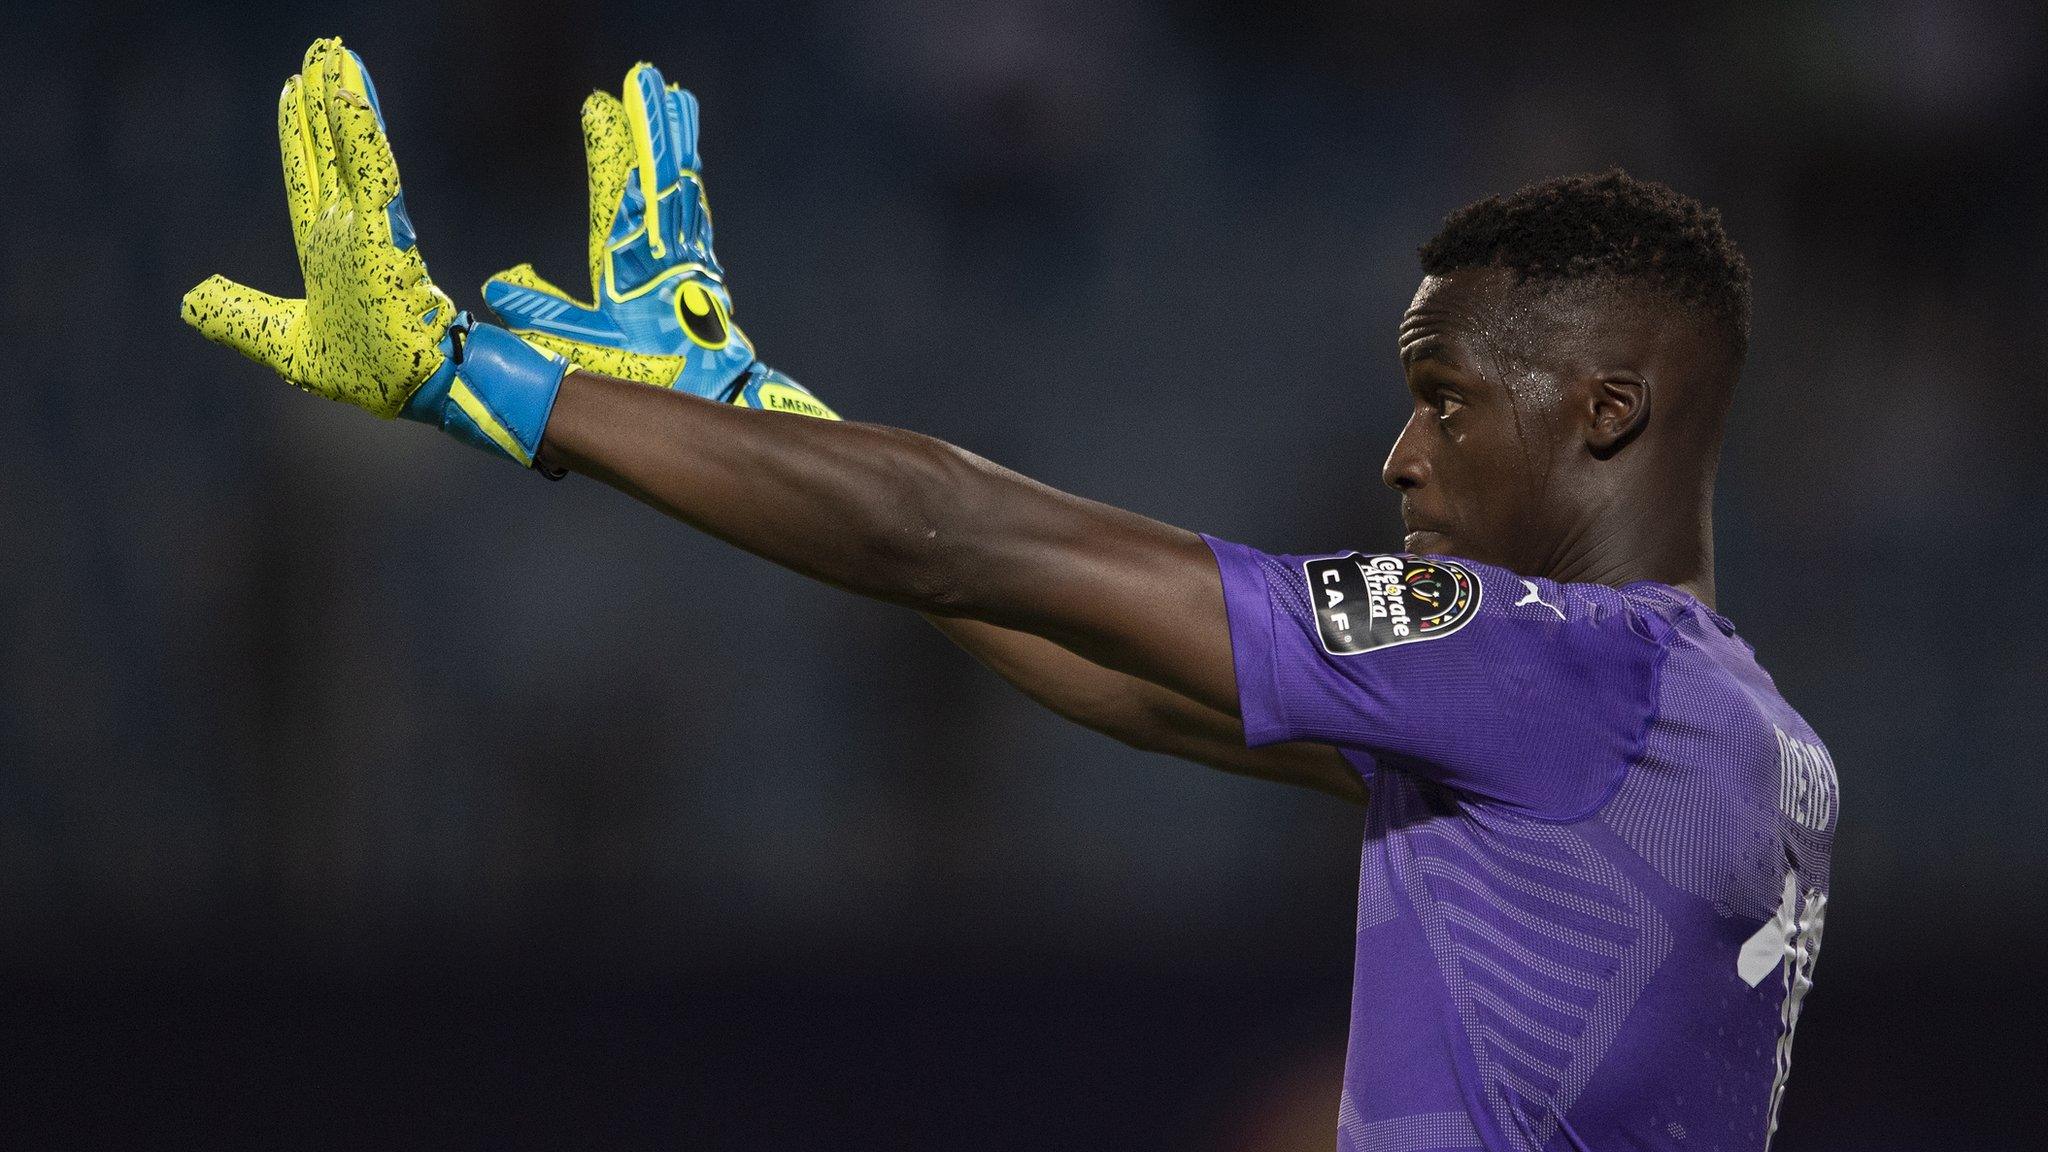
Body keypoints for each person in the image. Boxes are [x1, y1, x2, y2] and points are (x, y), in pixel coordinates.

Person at [184, 39, 1839, 1152]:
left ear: (1606, 411)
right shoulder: (1734, 740)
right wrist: (752, 416)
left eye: (1449, 400)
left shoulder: (1559, 676)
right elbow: (1129, 682)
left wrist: (479, 379)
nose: (1401, 456)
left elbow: (964, 538)